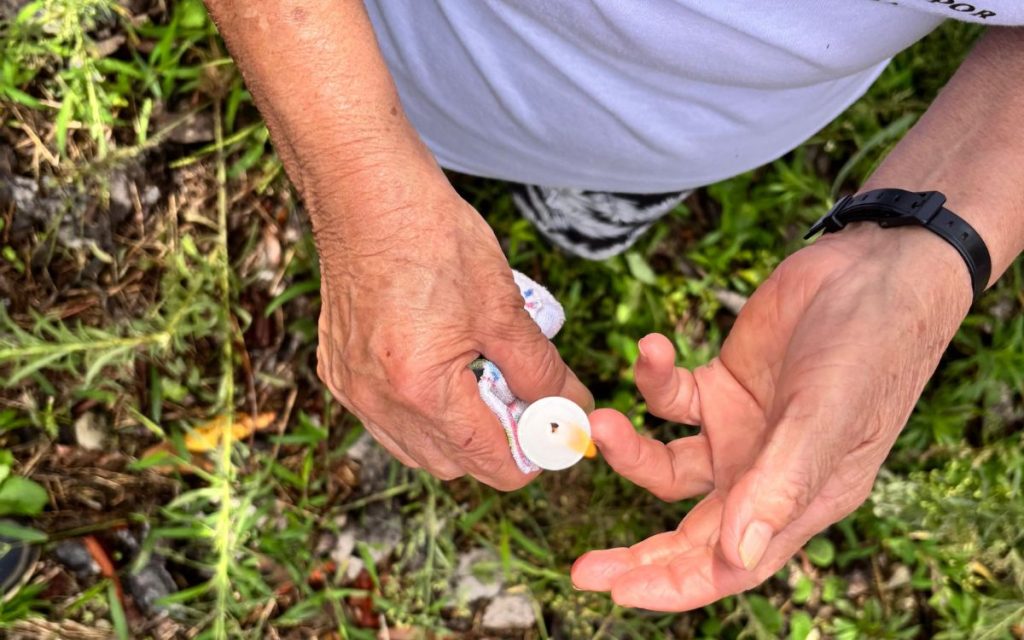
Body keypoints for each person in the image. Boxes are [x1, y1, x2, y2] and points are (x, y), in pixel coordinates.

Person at [201, 0, 1024, 611]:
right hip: (388, 41)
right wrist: (359, 183)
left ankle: (599, 192)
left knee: (607, 181)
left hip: (702, 127)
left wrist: (922, 252)